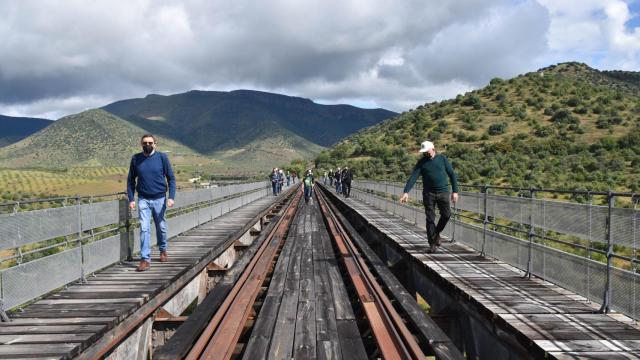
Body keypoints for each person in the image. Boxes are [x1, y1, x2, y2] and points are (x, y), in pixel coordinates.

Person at [127, 134, 176, 272]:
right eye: (144, 143)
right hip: (143, 199)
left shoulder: (162, 158)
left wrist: (171, 197)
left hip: (160, 199)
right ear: (141, 144)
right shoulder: (136, 159)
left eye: (150, 142)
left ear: (155, 144)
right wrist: (131, 199)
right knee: (144, 228)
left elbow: (171, 178)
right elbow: (130, 180)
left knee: (161, 227)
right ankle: (145, 259)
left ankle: (163, 249)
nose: (147, 145)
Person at [400, 140, 458, 253]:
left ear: (433, 149)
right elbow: (413, 177)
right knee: (430, 218)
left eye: (427, 151)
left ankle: (436, 233)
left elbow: (452, 174)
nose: (425, 154)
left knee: (446, 215)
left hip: (443, 192)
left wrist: (455, 191)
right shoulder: (421, 162)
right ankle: (432, 244)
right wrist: (406, 192)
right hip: (428, 194)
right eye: (424, 152)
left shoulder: (442, 159)